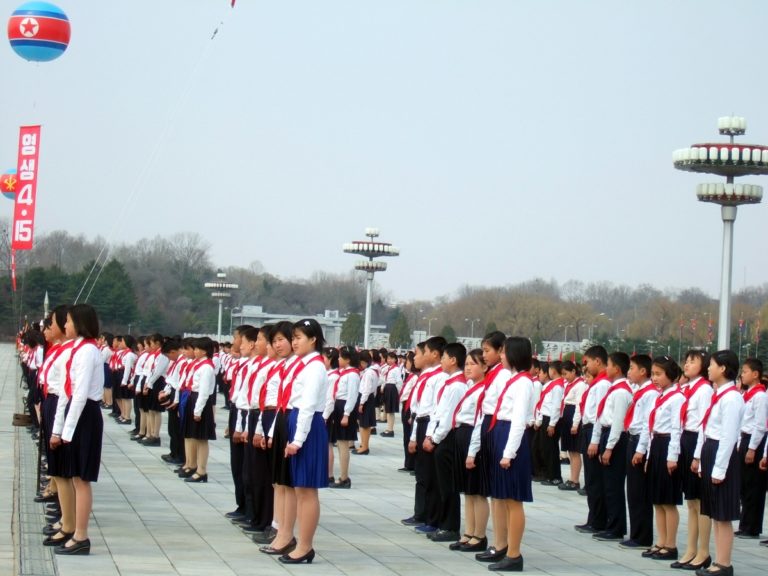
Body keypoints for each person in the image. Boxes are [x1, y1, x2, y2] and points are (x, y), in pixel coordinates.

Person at [271, 319, 329, 564]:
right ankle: (300, 543)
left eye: (299, 338)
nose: (294, 342)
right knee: (300, 488)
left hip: (306, 425)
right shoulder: (301, 364)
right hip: (296, 420)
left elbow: (307, 406)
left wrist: (297, 440)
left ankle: (305, 546)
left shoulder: (315, 367)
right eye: (292, 337)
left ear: (313, 339)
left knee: (306, 490)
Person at [52, 304, 104, 555]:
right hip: (76, 411)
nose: (65, 326)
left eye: (70, 321)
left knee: (81, 478)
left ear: (81, 323)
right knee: (75, 477)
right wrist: (58, 428)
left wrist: (67, 431)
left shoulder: (88, 352)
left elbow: (81, 394)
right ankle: (75, 531)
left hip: (85, 414)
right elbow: (67, 390)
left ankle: (81, 536)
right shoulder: (76, 349)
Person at [692, 350, 745, 576]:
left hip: (721, 453)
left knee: (723, 514)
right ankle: (719, 562)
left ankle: (724, 563)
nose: (708, 369)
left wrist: (719, 468)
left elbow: (729, 436)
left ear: (723, 368)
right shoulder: (719, 396)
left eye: (711, 365)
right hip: (711, 450)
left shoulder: (732, 398)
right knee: (714, 512)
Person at [484, 336, 534, 572]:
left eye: (503, 352)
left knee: (514, 501)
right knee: (503, 498)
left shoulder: (524, 383)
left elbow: (518, 420)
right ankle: (504, 548)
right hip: (501, 432)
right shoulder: (514, 380)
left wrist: (509, 453)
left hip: (510, 438)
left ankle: (514, 554)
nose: (500, 356)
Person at [633, 355, 685, 562]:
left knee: (668, 500)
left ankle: (670, 544)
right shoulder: (659, 397)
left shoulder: (677, 398)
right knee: (657, 499)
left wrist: (672, 456)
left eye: (658, 374)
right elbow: (649, 425)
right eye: (653, 374)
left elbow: (676, 429)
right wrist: (642, 450)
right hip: (656, 446)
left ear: (671, 375)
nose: (654, 378)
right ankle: (661, 541)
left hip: (667, 447)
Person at [423, 342, 468, 542]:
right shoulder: (450, 383)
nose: (441, 361)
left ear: (453, 360)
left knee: (448, 485)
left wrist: (435, 438)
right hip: (441, 436)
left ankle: (450, 527)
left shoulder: (457, 386)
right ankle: (443, 523)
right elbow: (438, 412)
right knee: (442, 484)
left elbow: (448, 417)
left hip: (448, 439)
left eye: (443, 357)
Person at [39, 306, 76, 548]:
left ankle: (68, 521)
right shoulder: (59, 350)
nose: (47, 328)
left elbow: (67, 388)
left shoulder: (70, 352)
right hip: (52, 400)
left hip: (60, 402)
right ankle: (64, 515)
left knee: (63, 467)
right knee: (56, 465)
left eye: (51, 323)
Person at [406, 336, 448, 535]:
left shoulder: (440, 377)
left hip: (430, 424)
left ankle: (431, 517)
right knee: (422, 475)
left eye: (419, 353)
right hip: (421, 421)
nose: (415, 357)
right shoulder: (426, 376)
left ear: (434, 354)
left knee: (430, 477)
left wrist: (429, 434)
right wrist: (414, 435)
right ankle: (421, 513)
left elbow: (435, 409)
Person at [449, 348, 489, 552]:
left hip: (474, 438)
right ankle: (469, 532)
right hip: (462, 435)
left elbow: (480, 421)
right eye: (466, 364)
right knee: (467, 490)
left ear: (484, 366)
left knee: (477, 490)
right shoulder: (470, 387)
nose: (467, 368)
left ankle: (479, 535)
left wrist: (473, 450)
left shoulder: (485, 390)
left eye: (473, 364)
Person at [677, 350, 714, 569]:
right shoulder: (688, 388)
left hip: (696, 441)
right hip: (686, 439)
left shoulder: (704, 391)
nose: (687, 364)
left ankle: (703, 552)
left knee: (700, 503)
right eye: (686, 361)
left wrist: (698, 455)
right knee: (691, 502)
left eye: (693, 361)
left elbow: (703, 424)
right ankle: (691, 549)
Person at [591, 352, 633, 542]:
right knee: (608, 485)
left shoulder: (622, 392)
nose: (606, 368)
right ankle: (611, 524)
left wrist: (609, 447)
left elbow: (618, 422)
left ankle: (616, 527)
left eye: (608, 365)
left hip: (616, 438)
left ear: (617, 368)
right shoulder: (614, 390)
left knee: (614, 486)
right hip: (607, 435)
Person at [621, 354, 657, 550]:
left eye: (632, 368)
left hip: (639, 442)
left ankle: (642, 535)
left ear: (643, 371)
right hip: (632, 438)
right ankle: (636, 532)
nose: (629, 372)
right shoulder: (639, 391)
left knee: (639, 492)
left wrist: (641, 449)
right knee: (633, 491)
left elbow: (646, 424)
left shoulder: (650, 393)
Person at [575, 346, 611, 535]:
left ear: (597, 361)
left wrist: (594, 440)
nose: (586, 367)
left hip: (594, 432)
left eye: (587, 362)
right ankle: (593, 517)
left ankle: (598, 520)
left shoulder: (604, 384)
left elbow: (599, 414)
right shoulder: (597, 383)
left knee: (596, 480)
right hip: (588, 429)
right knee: (591, 479)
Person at [736, 358, 767, 539]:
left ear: (755, 375)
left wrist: (752, 448)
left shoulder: (761, 397)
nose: (743, 374)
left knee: (754, 486)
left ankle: (752, 527)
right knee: (745, 485)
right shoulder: (747, 395)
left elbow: (760, 425)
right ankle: (744, 523)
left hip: (754, 441)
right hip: (745, 439)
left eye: (746, 371)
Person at [181, 337, 217, 483]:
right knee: (193, 436)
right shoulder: (198, 365)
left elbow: (203, 391)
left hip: (200, 402)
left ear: (204, 351)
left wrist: (197, 411)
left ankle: (202, 470)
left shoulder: (207, 367)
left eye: (196, 349)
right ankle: (193, 465)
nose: (194, 351)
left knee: (201, 438)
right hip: (193, 398)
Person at [325, 346, 360, 489]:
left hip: (345, 408)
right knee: (339, 443)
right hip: (339, 407)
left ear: (348, 359)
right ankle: (342, 476)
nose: (338, 359)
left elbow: (352, 396)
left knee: (343, 444)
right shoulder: (344, 373)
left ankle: (344, 477)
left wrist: (346, 414)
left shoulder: (353, 375)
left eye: (340, 357)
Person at [533, 360, 564, 486]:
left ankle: (555, 477)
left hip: (552, 419)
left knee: (551, 449)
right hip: (546, 418)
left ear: (553, 371)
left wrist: (552, 424)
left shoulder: (557, 386)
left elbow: (556, 406)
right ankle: (549, 474)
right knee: (545, 449)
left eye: (549, 369)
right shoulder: (551, 385)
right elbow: (544, 404)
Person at [559, 361, 587, 491]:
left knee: (575, 451)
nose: (564, 377)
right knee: (570, 450)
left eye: (566, 373)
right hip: (567, 413)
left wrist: (575, 424)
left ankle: (575, 480)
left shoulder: (580, 385)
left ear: (573, 371)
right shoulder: (569, 384)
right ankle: (571, 478)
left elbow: (579, 405)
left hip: (573, 415)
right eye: (562, 374)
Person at [142, 333, 169, 447]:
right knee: (151, 410)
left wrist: (149, 383)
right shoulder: (156, 355)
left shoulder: (162, 355)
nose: (151, 345)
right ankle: (151, 434)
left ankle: (156, 435)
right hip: (153, 382)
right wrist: (148, 383)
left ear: (158, 343)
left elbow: (158, 372)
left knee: (156, 410)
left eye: (152, 343)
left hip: (158, 382)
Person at [399, 351, 420, 472]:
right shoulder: (411, 376)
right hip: (405, 406)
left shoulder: (416, 377)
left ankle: (411, 463)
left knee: (410, 436)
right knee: (406, 437)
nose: (405, 363)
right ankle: (408, 462)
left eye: (407, 361)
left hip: (410, 408)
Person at [355, 351, 378, 454]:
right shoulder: (371, 371)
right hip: (368, 398)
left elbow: (367, 389)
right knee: (365, 424)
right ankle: (364, 445)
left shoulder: (369, 373)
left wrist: (362, 403)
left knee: (364, 425)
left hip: (366, 398)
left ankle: (364, 446)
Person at [381, 351, 402, 437]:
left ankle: (390, 430)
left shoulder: (396, 369)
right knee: (388, 410)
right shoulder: (389, 368)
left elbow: (399, 382)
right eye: (388, 358)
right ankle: (388, 428)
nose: (389, 360)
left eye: (391, 358)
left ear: (395, 359)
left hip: (392, 389)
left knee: (390, 411)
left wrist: (397, 393)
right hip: (388, 388)